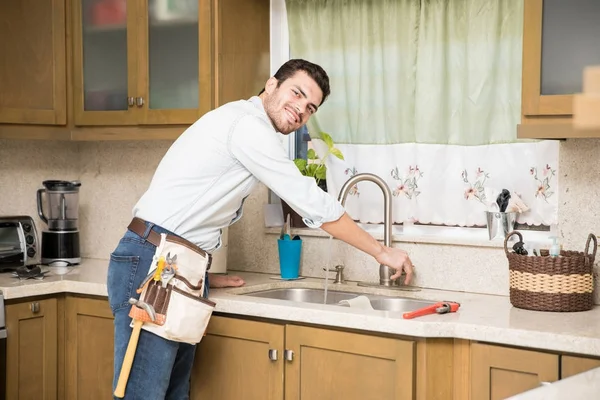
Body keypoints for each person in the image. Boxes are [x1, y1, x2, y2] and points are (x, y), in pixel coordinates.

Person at [107, 58, 415, 399]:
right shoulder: (247, 125)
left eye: (310, 107)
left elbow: (189, 215)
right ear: (271, 85)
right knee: (143, 395)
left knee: (173, 394)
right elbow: (309, 199)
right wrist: (381, 251)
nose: (301, 109)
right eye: (296, 94)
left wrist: (199, 272)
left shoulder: (246, 125)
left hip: (173, 266)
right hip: (153, 265)